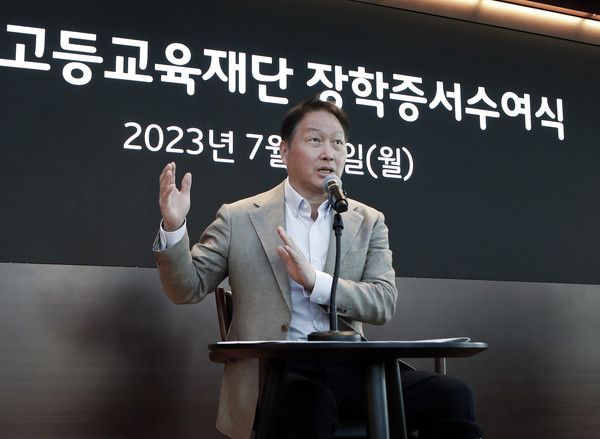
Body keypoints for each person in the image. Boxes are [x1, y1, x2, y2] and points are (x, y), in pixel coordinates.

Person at [153, 97, 482, 439]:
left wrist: (317, 283)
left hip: (353, 371)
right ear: (283, 151)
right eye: (315, 140)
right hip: (276, 373)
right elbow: (185, 289)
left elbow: (383, 302)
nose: (329, 153)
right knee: (312, 402)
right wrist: (174, 227)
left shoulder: (367, 221)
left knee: (453, 395)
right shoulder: (240, 217)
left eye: (338, 142)